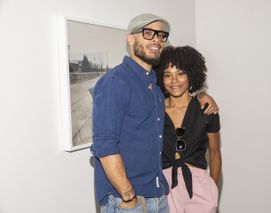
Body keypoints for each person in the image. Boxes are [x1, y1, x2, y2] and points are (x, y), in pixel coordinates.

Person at [90, 13, 219, 213]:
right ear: (130, 39)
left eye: (160, 35)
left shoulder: (155, 85)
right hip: (129, 200)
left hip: (159, 195)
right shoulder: (115, 82)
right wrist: (128, 195)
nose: (156, 40)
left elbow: (179, 90)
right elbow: (104, 145)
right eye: (148, 33)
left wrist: (202, 95)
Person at [156, 46, 221, 213]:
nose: (174, 81)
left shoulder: (206, 109)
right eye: (168, 75)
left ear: (191, 75)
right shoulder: (155, 111)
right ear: (161, 78)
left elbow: (215, 152)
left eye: (181, 73)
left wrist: (213, 191)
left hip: (200, 186)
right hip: (165, 187)